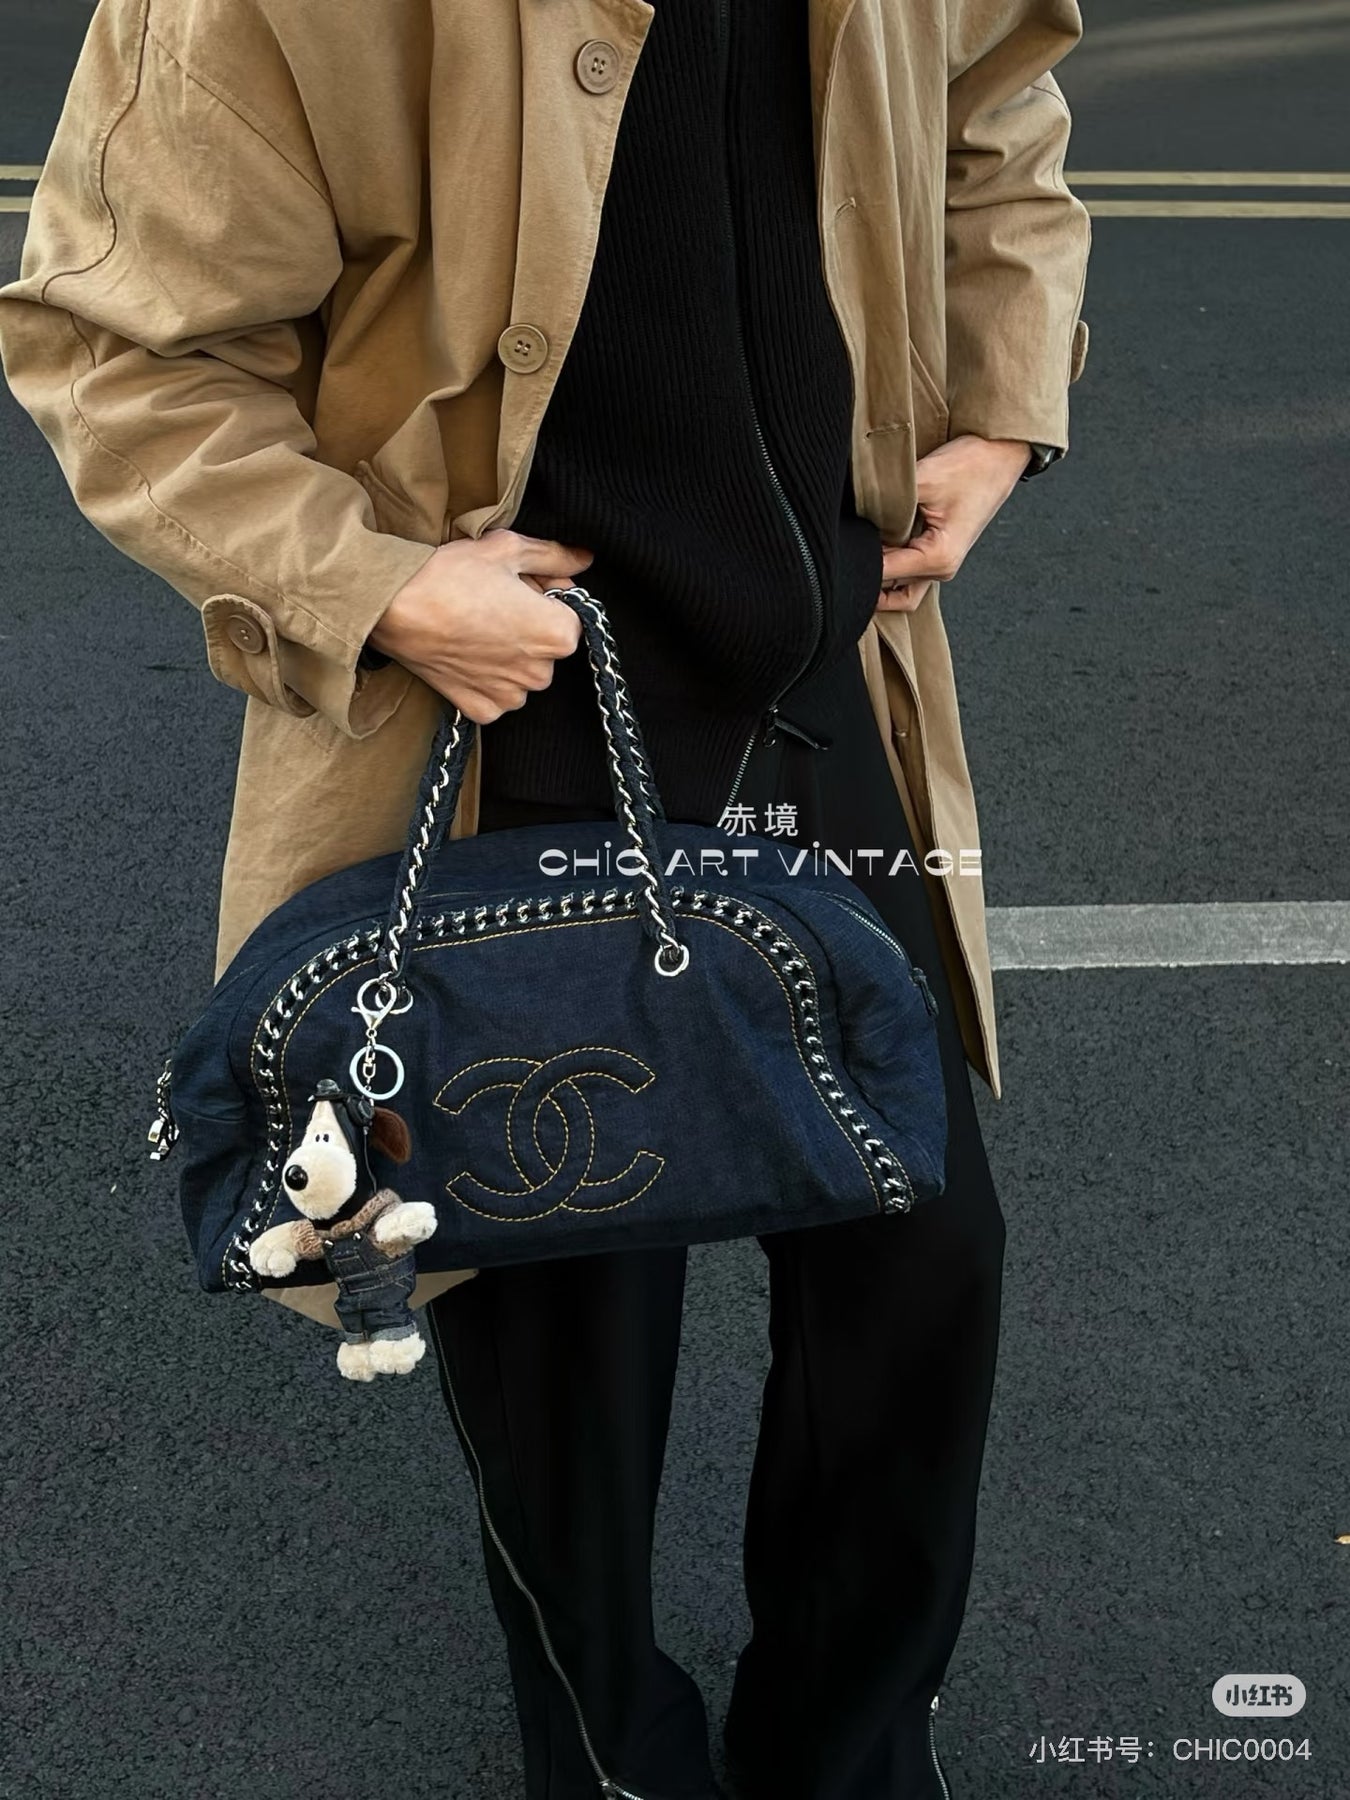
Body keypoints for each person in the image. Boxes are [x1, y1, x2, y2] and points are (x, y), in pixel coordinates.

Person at [0, 1, 1091, 1795]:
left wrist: (996, 408)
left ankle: (846, 1754)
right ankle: (610, 1760)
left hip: (821, 697)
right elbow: (121, 347)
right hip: (520, 725)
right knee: (572, 1330)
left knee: (915, 1265)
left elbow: (994, 108)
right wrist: (375, 586)